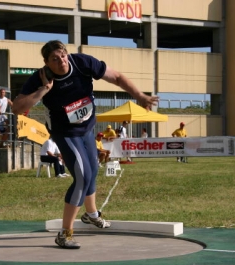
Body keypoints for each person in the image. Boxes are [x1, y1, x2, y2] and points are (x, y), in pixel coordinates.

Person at [12, 40, 158, 249]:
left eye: (63, 55)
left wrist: (140, 96)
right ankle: (65, 233)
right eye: (54, 59)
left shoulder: (82, 63)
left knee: (93, 172)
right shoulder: (40, 78)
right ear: (46, 62)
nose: (61, 61)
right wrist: (43, 90)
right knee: (81, 177)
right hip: (64, 132)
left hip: (87, 127)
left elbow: (116, 77)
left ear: (67, 54)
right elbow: (17, 108)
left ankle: (91, 215)